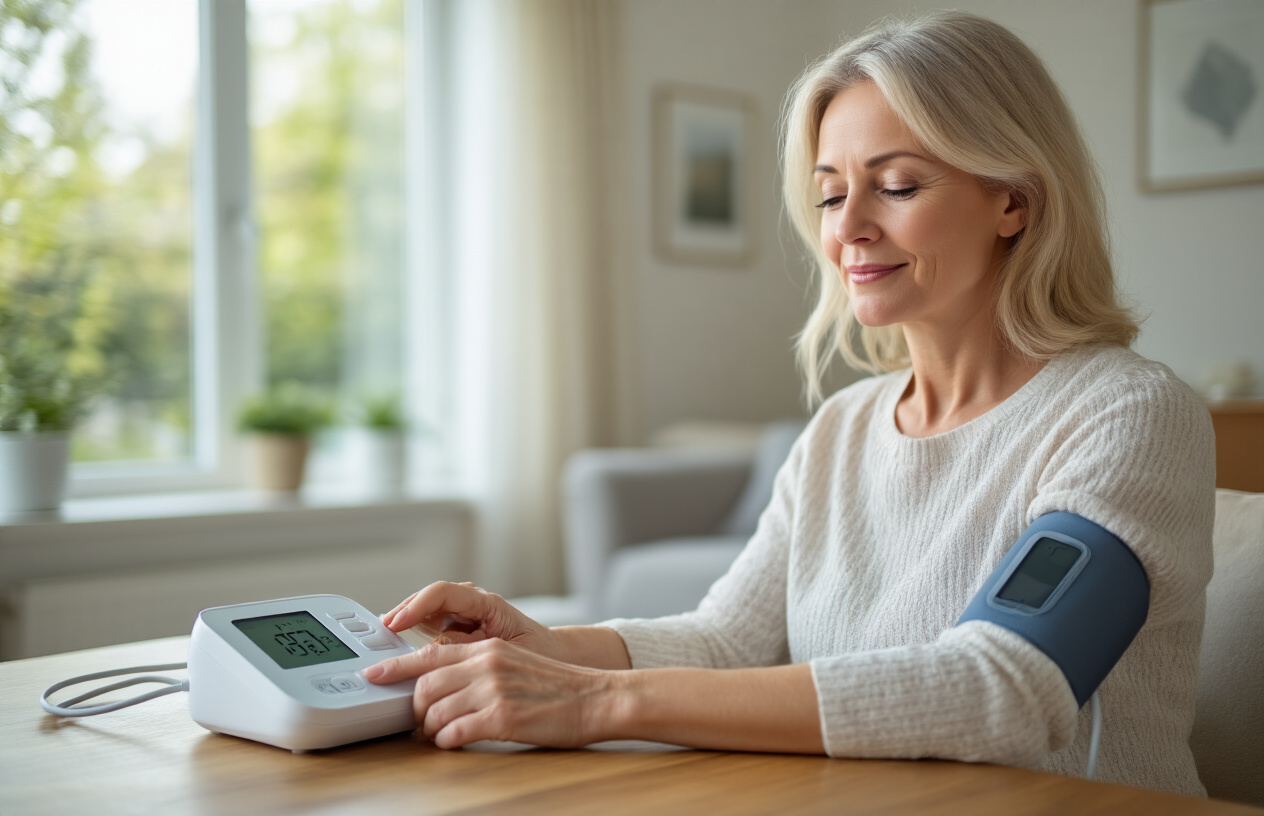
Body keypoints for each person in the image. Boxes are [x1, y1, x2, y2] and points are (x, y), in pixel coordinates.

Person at [363, 11, 1214, 796]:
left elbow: (1006, 685)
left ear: (1014, 200)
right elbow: (724, 641)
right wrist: (543, 649)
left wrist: (594, 703)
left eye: (899, 185)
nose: (848, 230)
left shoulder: (1128, 413)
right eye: (832, 193)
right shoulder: (842, 430)